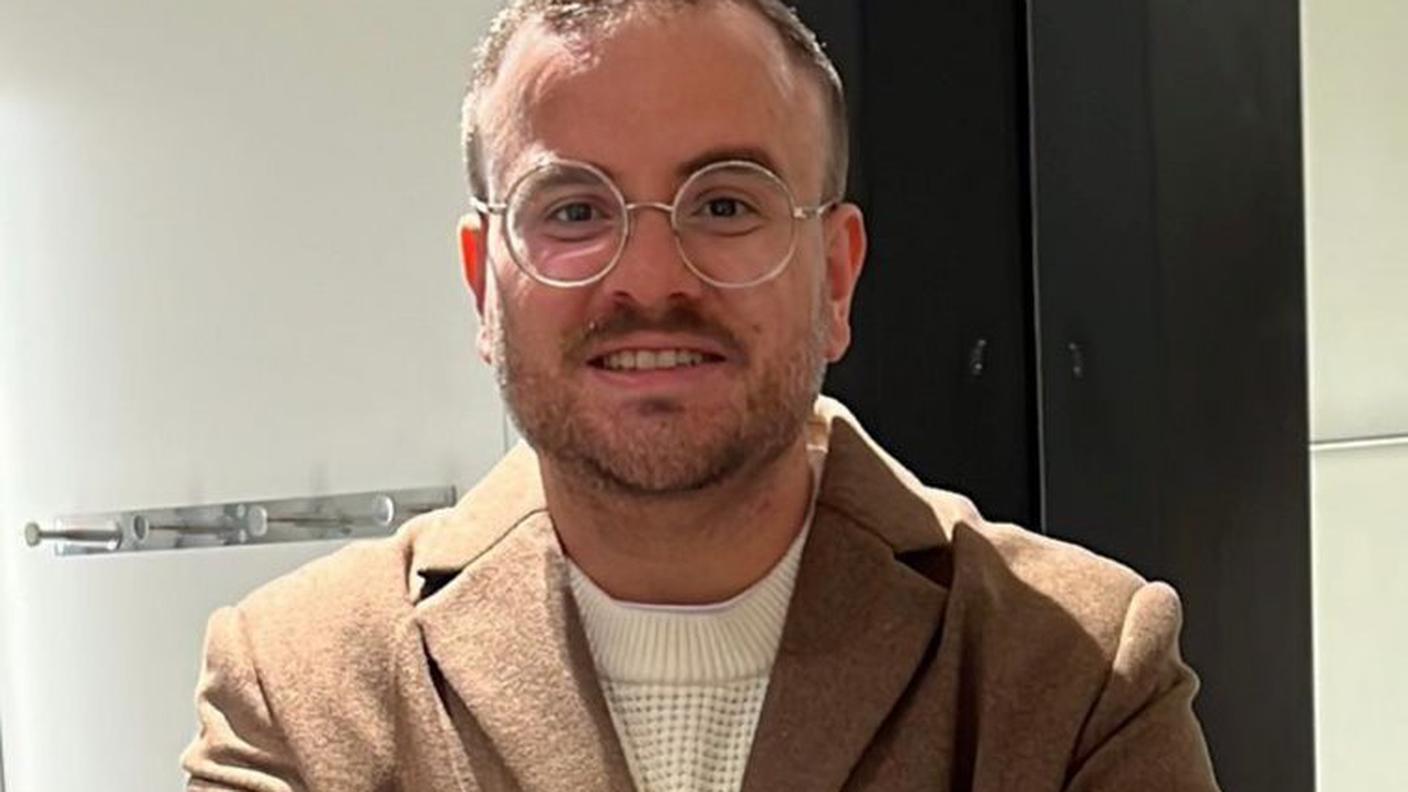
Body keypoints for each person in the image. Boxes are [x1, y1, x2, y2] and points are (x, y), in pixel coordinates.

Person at [182, 1, 1221, 790]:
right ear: (482, 287)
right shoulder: (298, 687)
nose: (649, 279)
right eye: (574, 209)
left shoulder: (1078, 675)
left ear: (836, 278)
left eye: (724, 204)